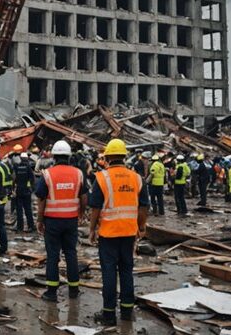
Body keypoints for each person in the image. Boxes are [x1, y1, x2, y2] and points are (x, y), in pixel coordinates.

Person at [88, 139, 148, 326]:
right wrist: (142, 226)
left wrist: (92, 229)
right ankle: (127, 312)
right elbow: (144, 206)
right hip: (129, 232)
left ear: (107, 157)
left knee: (109, 272)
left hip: (108, 233)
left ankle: (108, 315)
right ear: (124, 156)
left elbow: (95, 208)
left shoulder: (101, 178)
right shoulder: (136, 178)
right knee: (126, 271)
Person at [36, 140, 87, 302]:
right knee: (71, 253)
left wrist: (39, 219)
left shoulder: (47, 174)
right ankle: (74, 289)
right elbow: (84, 196)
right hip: (71, 220)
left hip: (52, 221)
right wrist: (81, 213)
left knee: (53, 256)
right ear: (69, 156)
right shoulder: (78, 173)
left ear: (54, 156)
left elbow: (41, 199)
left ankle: (51, 292)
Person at [12, 152, 35, 232]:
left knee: (19, 210)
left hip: (19, 190)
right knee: (28, 209)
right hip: (26, 191)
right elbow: (32, 179)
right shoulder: (28, 167)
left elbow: (14, 178)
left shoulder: (17, 167)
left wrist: (13, 188)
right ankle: (31, 226)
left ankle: (19, 227)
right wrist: (31, 187)